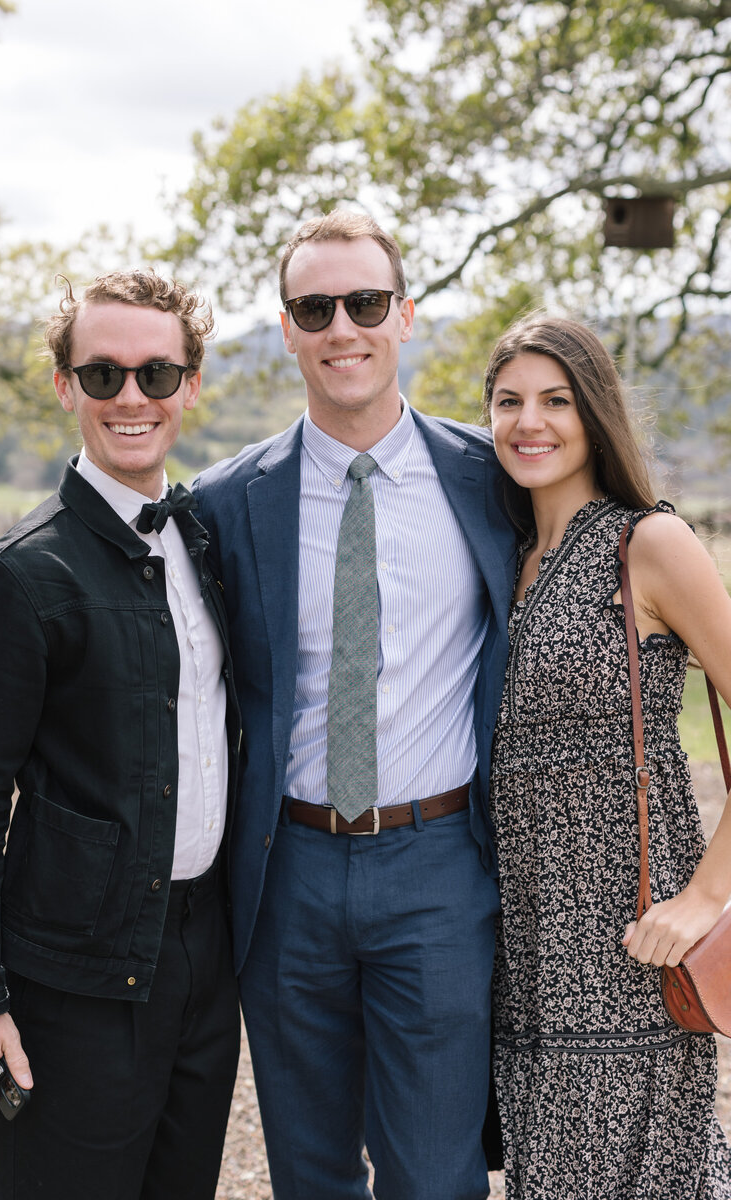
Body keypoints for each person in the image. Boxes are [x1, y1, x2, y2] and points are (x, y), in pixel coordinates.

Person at [194, 210, 516, 1200]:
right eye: (314, 307)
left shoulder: (492, 478)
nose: (343, 327)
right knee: (311, 1175)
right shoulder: (223, 502)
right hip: (283, 871)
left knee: (434, 1175)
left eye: (365, 302)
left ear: (404, 316)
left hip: (435, 872)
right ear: (286, 328)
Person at [0, 269, 242, 1200]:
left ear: (190, 385)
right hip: (70, 977)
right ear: (65, 386)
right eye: (102, 375)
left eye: (156, 373)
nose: (131, 397)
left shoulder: (205, 544)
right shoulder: (16, 577)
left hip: (202, 961)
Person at [484, 313, 731, 1197]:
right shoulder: (503, 558)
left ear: (595, 414)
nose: (529, 422)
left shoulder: (646, 544)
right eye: (508, 401)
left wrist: (704, 897)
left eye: (556, 399)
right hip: (524, 952)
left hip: (632, 939)